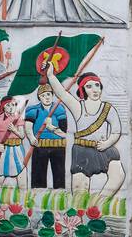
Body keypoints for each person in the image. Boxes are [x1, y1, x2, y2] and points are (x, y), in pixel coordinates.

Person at [46, 67, 125, 199]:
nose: (94, 89)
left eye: (97, 85)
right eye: (89, 86)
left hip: (102, 149)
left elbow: (116, 131)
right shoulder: (78, 107)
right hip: (82, 151)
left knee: (118, 174)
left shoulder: (107, 108)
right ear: (83, 90)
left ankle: (100, 202)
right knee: (79, 191)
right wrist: (50, 75)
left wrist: (107, 143)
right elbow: (61, 93)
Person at [24, 81, 69, 189]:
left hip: (58, 146)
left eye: (48, 94)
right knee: (38, 176)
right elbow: (28, 127)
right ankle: (37, 198)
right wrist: (31, 138)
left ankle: (59, 198)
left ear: (52, 95)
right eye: (43, 95)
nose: (46, 97)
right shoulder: (33, 110)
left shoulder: (59, 108)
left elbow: (64, 133)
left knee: (59, 175)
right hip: (40, 146)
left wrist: (51, 128)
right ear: (39, 97)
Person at [0, 96, 26, 186]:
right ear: (3, 106)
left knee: (20, 173)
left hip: (17, 149)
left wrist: (14, 130)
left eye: (14, 105)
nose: (11, 107)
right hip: (3, 150)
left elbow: (22, 136)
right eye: (8, 105)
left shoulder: (18, 118)